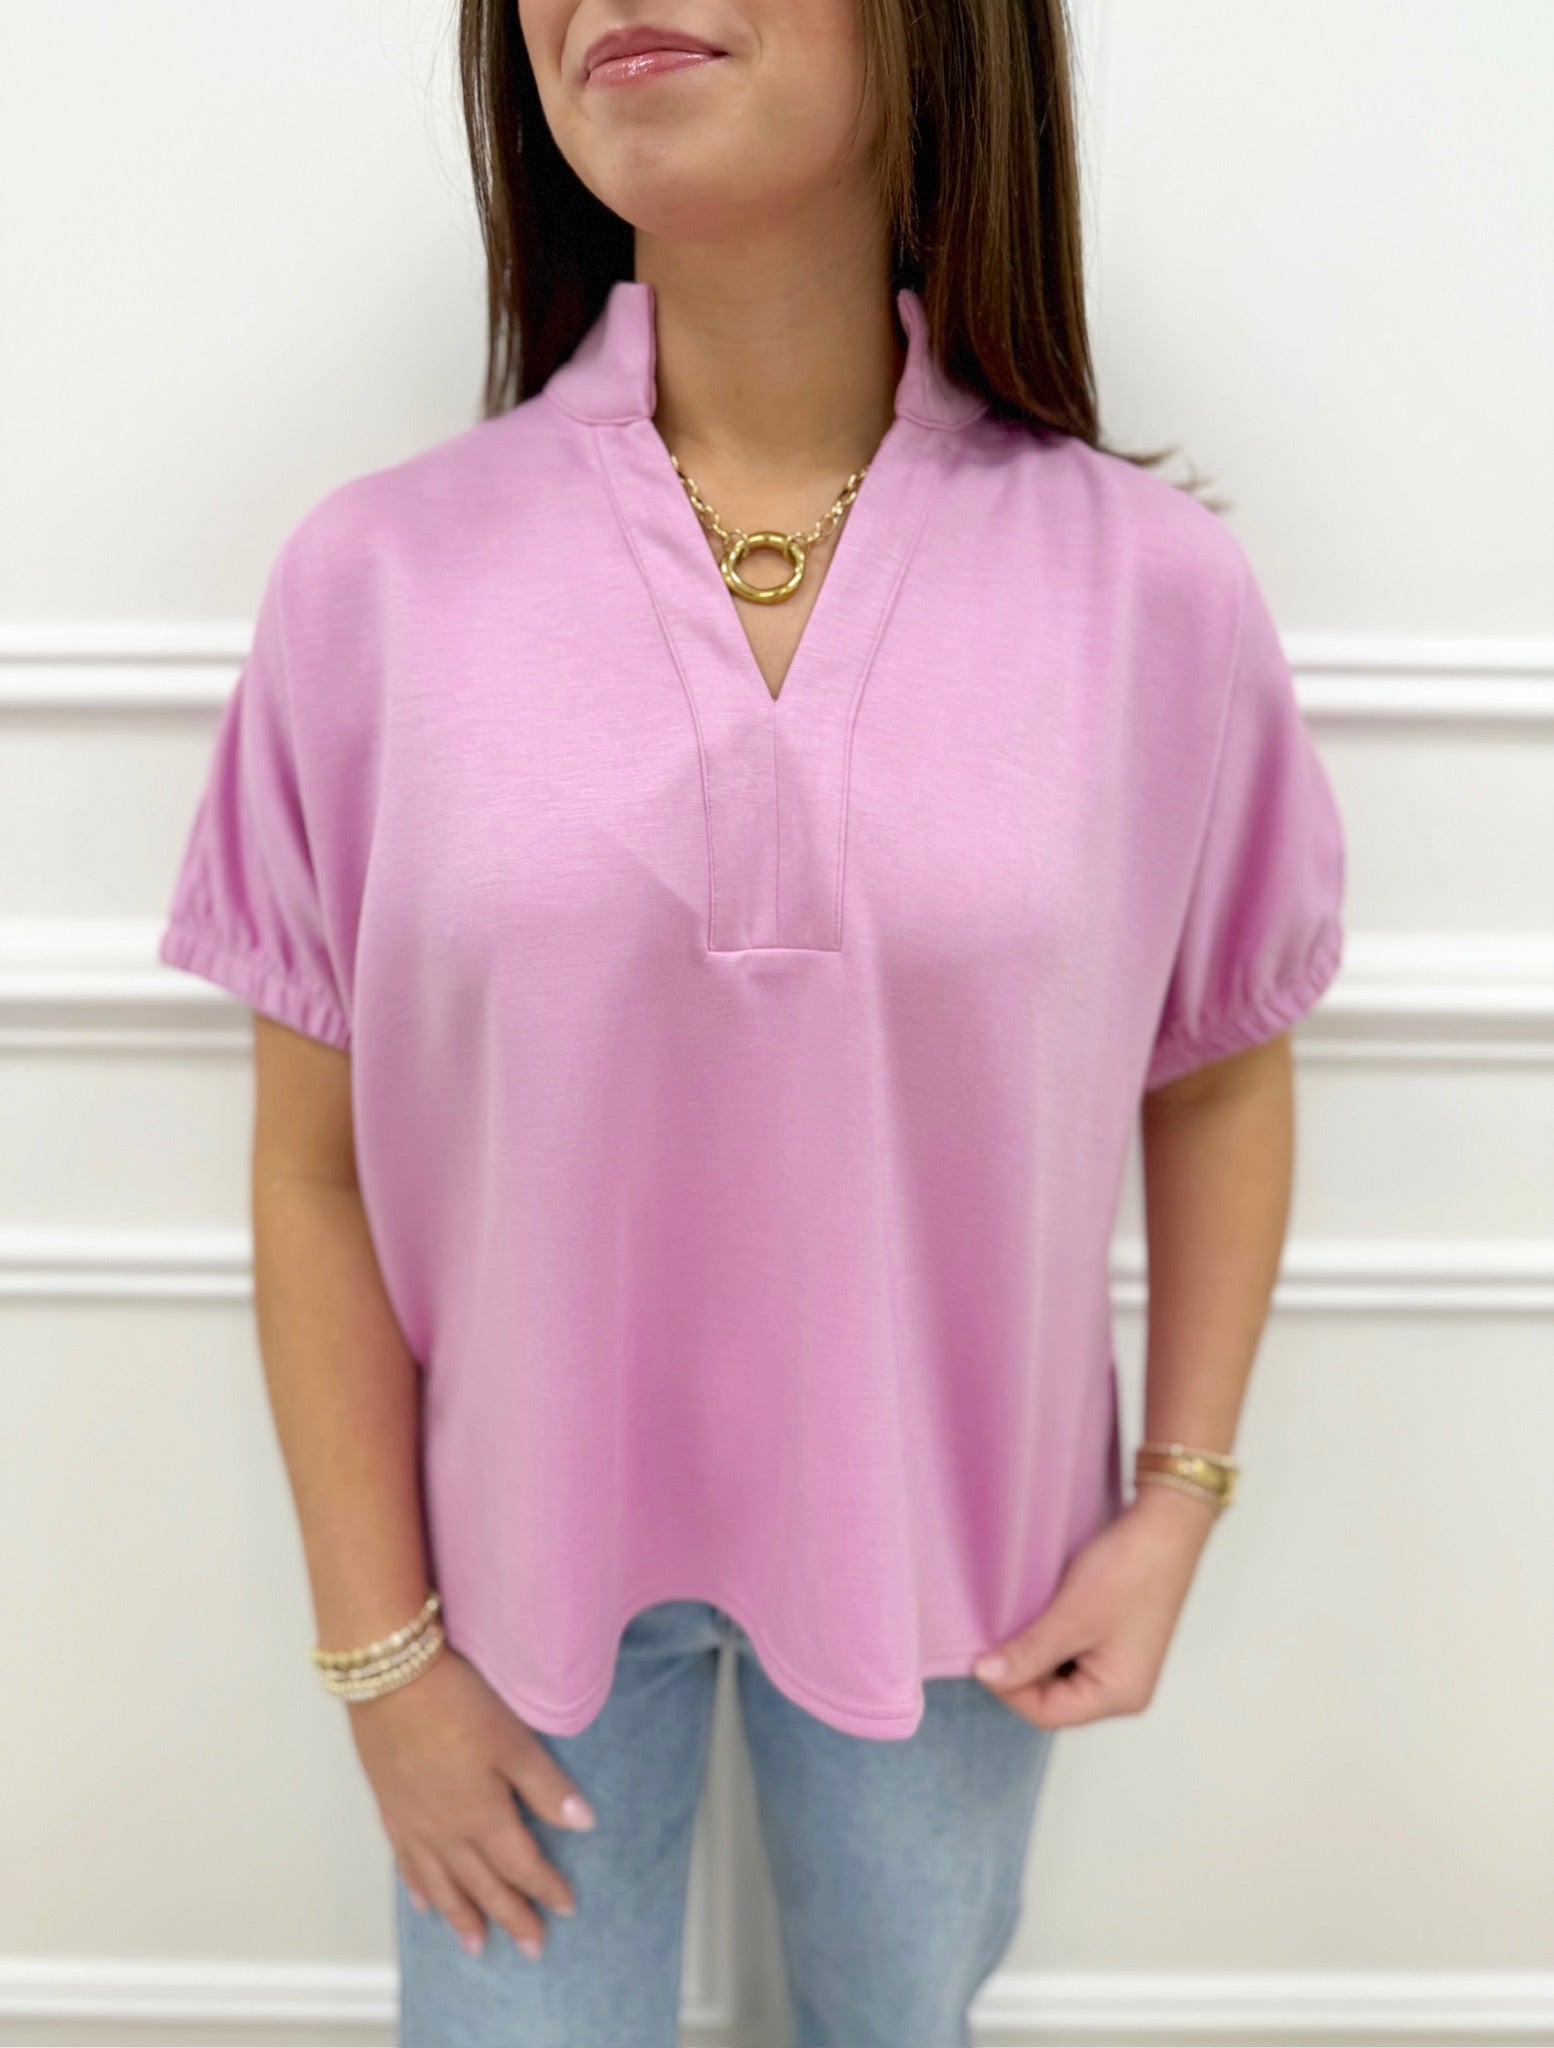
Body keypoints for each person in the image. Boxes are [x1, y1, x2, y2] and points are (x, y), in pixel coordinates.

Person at [155, 1, 1347, 2042]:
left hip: (969, 1579)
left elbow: (1220, 1061)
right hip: (495, 1592)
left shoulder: (1151, 595)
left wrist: (1178, 1500)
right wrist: (379, 1664)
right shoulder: (378, 582)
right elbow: (316, 1170)